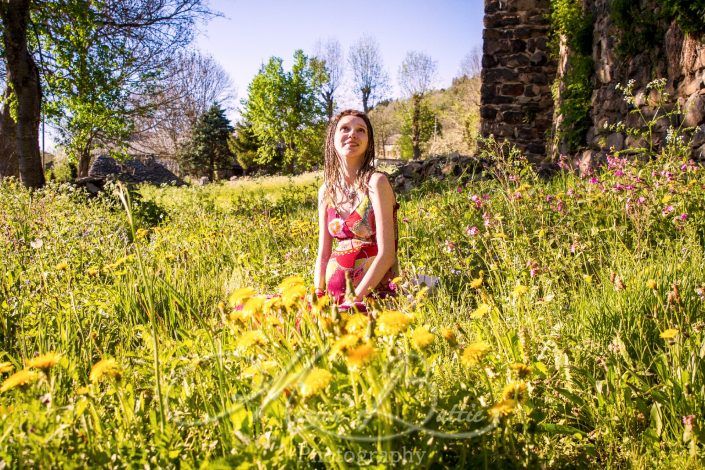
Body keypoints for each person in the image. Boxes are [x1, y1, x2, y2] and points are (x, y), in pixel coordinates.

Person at [314, 109, 399, 308]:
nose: (352, 134)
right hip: (333, 299)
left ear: (368, 142)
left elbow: (387, 253)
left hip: (373, 296)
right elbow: (323, 253)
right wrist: (318, 294)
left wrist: (354, 301)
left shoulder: (377, 183)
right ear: (332, 138)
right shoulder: (326, 191)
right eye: (345, 128)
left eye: (361, 130)